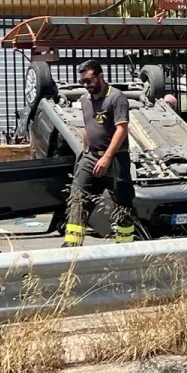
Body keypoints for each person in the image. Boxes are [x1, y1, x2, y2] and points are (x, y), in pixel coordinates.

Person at [63, 60, 136, 247]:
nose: (86, 85)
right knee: (78, 197)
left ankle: (125, 243)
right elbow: (89, 127)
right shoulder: (85, 100)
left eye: (89, 80)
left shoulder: (117, 98)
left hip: (115, 158)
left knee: (122, 201)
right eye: (83, 82)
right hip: (91, 157)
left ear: (101, 76)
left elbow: (122, 129)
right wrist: (85, 152)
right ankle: (72, 245)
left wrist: (107, 157)